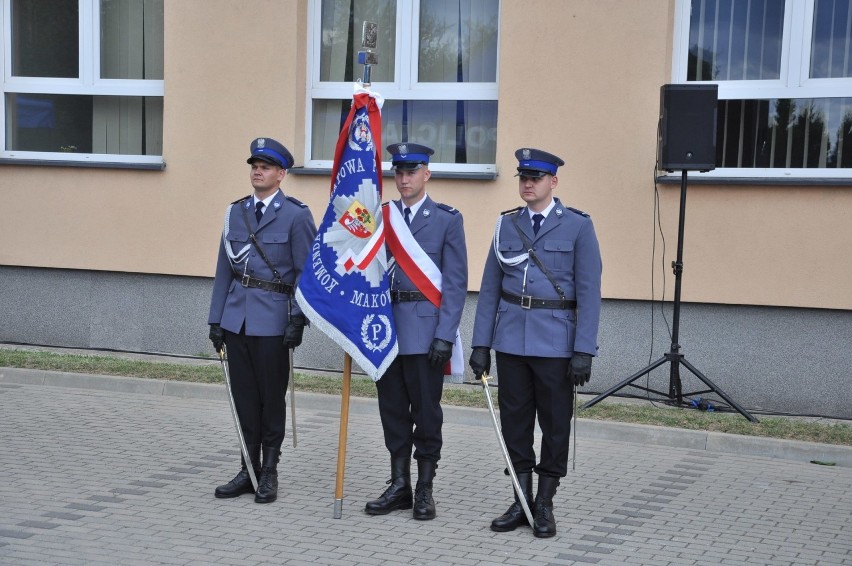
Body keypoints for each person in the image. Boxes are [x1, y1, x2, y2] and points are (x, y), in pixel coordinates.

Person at [469, 147, 602, 538]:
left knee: (556, 425)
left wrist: (583, 349)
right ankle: (521, 499)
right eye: (523, 177)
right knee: (515, 423)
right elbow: (490, 288)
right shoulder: (505, 225)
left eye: (536, 178)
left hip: (556, 343)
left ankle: (544, 502)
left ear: (553, 182)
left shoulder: (578, 226)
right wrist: (481, 344)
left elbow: (590, 292)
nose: (528, 183)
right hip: (511, 340)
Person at [207, 137, 317, 504]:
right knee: (244, 399)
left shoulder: (296, 215)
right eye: (254, 164)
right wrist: (216, 318)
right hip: (237, 319)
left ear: (281, 174)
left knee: (271, 400)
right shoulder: (235, 212)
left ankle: (269, 471)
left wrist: (297, 320)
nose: (257, 170)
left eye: (266, 166)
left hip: (273, 321)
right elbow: (225, 269)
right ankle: (247, 469)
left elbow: (307, 273)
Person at [364, 142, 468, 520]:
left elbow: (455, 284)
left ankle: (424, 488)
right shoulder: (379, 215)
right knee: (392, 410)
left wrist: (445, 333)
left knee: (426, 413)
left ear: (427, 173)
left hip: (426, 331)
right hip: (385, 330)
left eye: (412, 171)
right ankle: (399, 484)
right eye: (399, 171)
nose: (404, 178)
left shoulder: (446, 219)